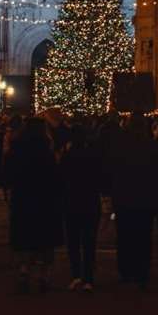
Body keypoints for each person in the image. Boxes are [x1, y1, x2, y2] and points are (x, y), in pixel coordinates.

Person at [107, 114, 158, 290]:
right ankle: (142, 271)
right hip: (145, 199)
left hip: (124, 197)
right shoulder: (152, 147)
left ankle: (126, 270)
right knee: (143, 236)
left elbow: (109, 170)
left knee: (125, 236)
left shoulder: (119, 146)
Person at [5, 117, 64, 293]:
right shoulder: (47, 151)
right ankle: (43, 275)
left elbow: (7, 173)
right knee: (45, 239)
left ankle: (24, 270)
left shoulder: (16, 149)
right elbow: (55, 177)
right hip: (45, 199)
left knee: (24, 236)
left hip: (22, 198)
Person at [60, 120, 105, 292]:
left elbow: (61, 178)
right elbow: (101, 178)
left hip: (71, 201)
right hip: (90, 201)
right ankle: (88, 278)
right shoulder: (93, 156)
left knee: (73, 242)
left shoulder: (68, 156)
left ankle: (76, 275)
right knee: (89, 241)